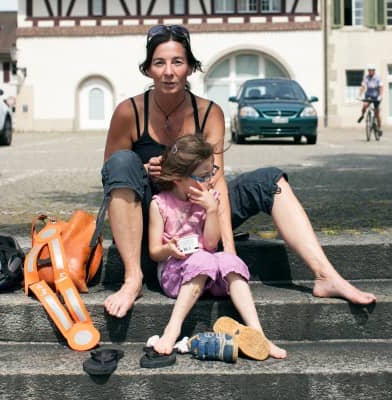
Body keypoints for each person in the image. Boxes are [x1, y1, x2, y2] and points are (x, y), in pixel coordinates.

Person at [102, 24, 376, 319]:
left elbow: (216, 179)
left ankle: (326, 276)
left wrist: (229, 251)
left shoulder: (209, 113)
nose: (168, 71)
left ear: (191, 68)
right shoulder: (129, 112)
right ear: (148, 70)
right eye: (159, 62)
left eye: (177, 62)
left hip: (201, 212)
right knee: (121, 163)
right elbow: (113, 175)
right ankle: (133, 280)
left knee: (271, 180)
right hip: (153, 217)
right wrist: (144, 171)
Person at [148, 134, 286, 359]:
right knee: (202, 259)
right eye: (203, 176)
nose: (210, 180)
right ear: (179, 178)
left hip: (209, 273)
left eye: (211, 172)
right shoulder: (160, 204)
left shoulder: (209, 198)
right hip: (175, 275)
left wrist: (212, 210)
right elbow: (154, 252)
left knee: (230, 260)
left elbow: (211, 244)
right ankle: (172, 329)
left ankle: (259, 335)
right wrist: (168, 249)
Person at [357, 64, 383, 135]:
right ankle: (362, 115)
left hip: (376, 96)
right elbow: (363, 86)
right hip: (368, 95)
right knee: (365, 105)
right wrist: (360, 95)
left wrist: (380, 96)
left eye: (371, 71)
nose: (370, 72)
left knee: (377, 113)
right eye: (369, 71)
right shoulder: (366, 77)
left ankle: (380, 128)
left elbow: (381, 87)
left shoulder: (378, 78)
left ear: (374, 71)